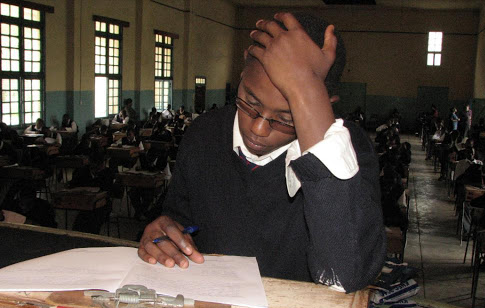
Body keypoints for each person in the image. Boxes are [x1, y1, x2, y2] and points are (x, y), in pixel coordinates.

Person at [138, 12, 386, 293]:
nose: (258, 128)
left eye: (287, 117)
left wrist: (305, 89)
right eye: (249, 102)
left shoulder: (349, 152)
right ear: (242, 73)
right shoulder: (203, 134)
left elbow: (347, 273)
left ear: (323, 103)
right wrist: (165, 233)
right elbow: (180, 219)